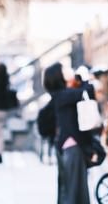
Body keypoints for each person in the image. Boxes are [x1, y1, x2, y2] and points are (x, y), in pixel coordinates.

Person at [43, 62, 95, 204]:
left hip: (68, 146)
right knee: (74, 191)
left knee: (71, 190)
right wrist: (85, 79)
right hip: (72, 146)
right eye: (64, 69)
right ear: (59, 76)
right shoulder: (63, 94)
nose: (69, 69)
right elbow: (88, 93)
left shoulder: (63, 94)